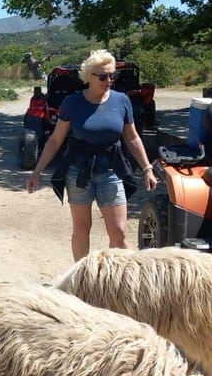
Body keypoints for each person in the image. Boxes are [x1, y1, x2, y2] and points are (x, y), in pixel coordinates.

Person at [26, 49, 158, 260]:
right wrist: (37, 172)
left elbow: (132, 138)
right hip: (79, 173)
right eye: (103, 76)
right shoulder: (73, 102)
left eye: (112, 75)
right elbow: (56, 139)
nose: (109, 80)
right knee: (81, 230)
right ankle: (81, 280)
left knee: (119, 232)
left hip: (112, 171)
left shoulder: (121, 101)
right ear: (89, 76)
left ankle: (117, 280)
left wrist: (147, 168)